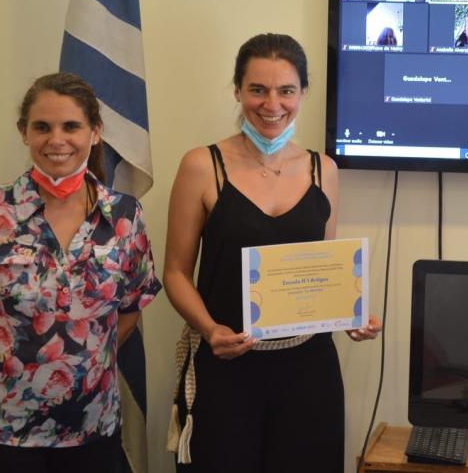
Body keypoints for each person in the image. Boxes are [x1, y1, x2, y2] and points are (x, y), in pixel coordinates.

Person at [163, 33, 381, 473]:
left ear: (302, 93)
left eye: (286, 91)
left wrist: (350, 315)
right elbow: (175, 273)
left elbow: (326, 270)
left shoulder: (325, 169)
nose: (272, 104)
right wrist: (209, 331)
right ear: (238, 90)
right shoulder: (202, 165)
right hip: (227, 366)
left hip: (309, 370)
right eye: (257, 90)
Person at [0, 72, 161, 472]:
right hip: (8, 429)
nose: (57, 140)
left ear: (95, 132)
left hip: (93, 427)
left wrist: (80, 361)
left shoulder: (123, 214)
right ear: (24, 133)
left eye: (71, 126)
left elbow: (131, 306)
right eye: (42, 127)